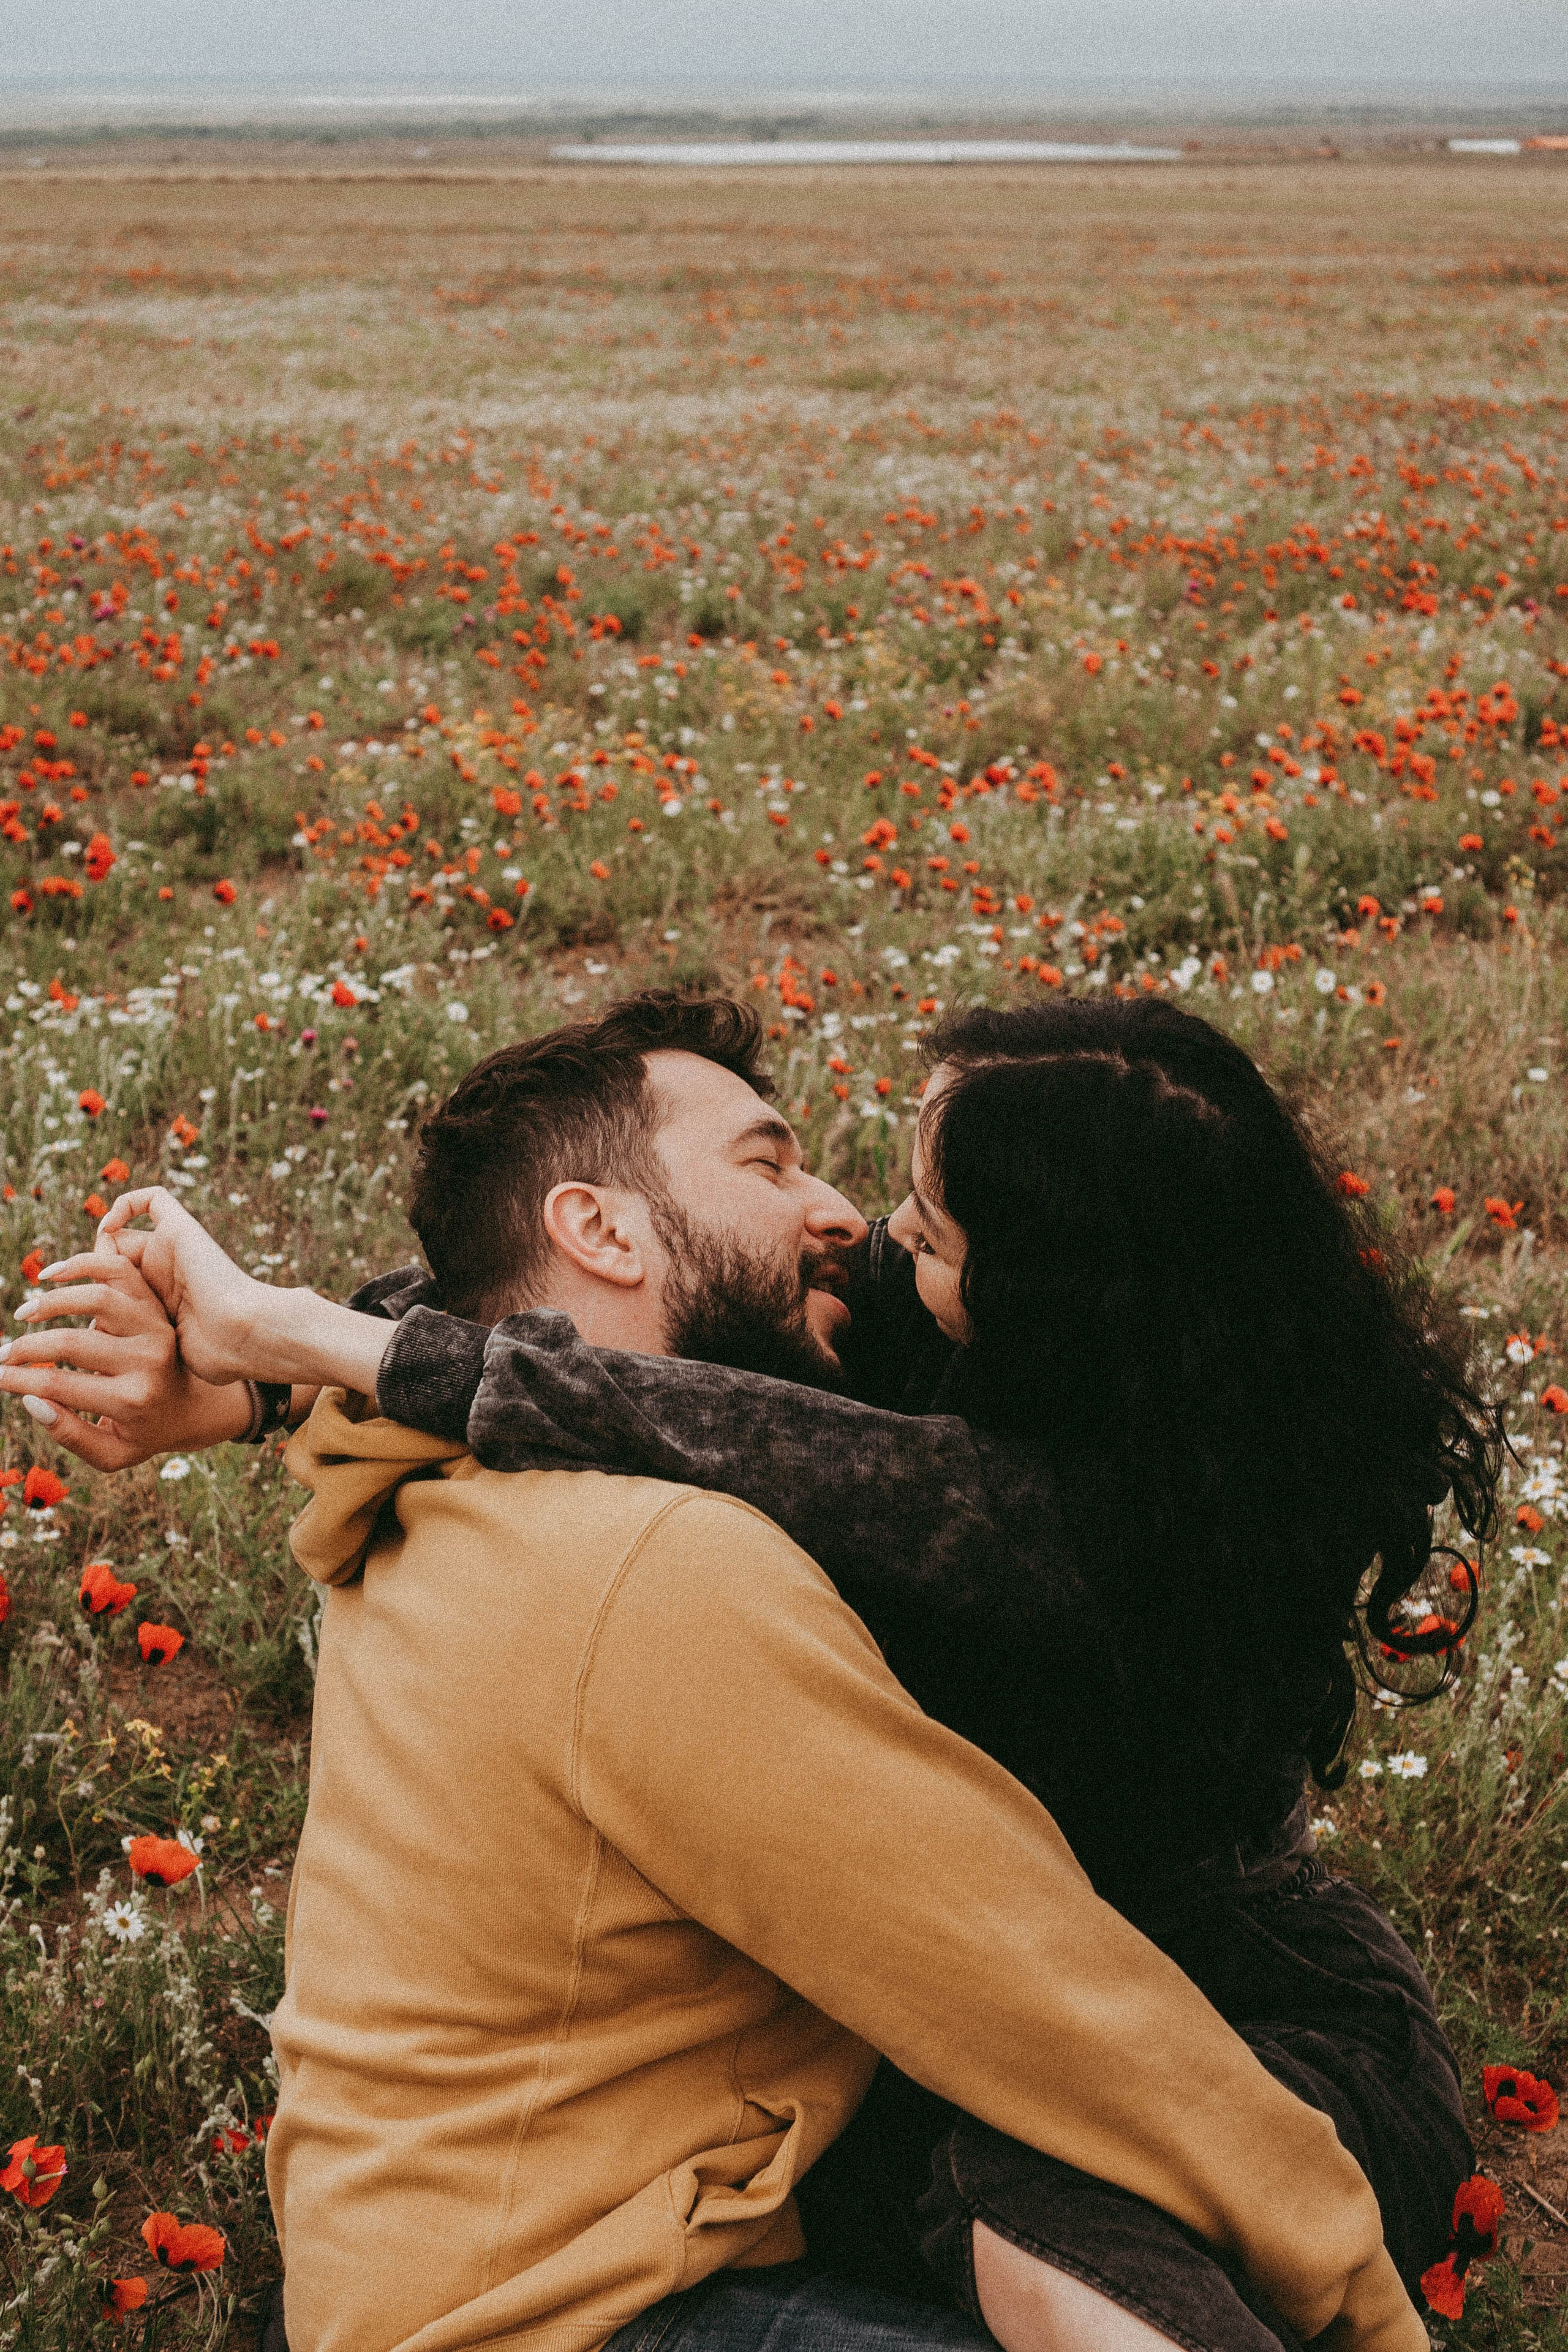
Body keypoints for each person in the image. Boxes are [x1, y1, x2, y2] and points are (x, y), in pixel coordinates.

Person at [0, 994, 1458, 2352]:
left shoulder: (1052, 1509)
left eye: (927, 1229)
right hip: (625, 2263)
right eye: (777, 1164)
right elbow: (1024, 1977)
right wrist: (272, 1367)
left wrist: (298, 1352)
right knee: (1013, 2195)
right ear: (598, 1229)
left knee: (1038, 2201)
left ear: (1041, 1290)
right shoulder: (673, 1543)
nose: (856, 1225)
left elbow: (633, 1380)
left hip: (1209, 2018)